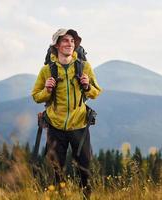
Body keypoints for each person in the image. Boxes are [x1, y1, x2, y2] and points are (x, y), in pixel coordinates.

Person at [31, 28, 102, 199]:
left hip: (80, 126)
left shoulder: (84, 67)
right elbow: (36, 96)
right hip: (55, 127)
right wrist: (47, 90)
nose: (70, 44)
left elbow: (96, 92)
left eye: (72, 41)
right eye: (65, 40)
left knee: (84, 171)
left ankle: (86, 197)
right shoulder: (47, 70)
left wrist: (87, 86)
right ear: (56, 45)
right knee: (57, 172)